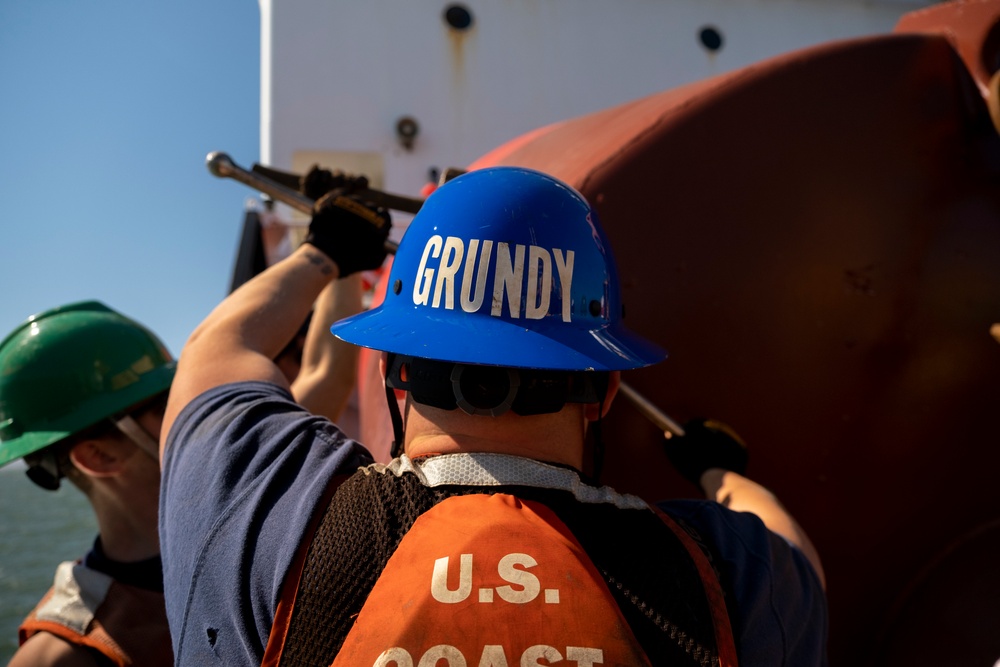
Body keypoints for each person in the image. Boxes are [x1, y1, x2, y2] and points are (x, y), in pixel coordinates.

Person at [159, 167, 827, 666]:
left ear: (393, 369)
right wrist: (718, 471)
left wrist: (325, 251)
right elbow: (789, 541)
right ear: (609, 390)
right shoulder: (734, 575)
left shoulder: (262, 511)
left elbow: (216, 353)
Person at [0, 301, 175, 667]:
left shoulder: (251, 527)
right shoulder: (63, 656)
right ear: (100, 457)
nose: (191, 409)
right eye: (166, 404)